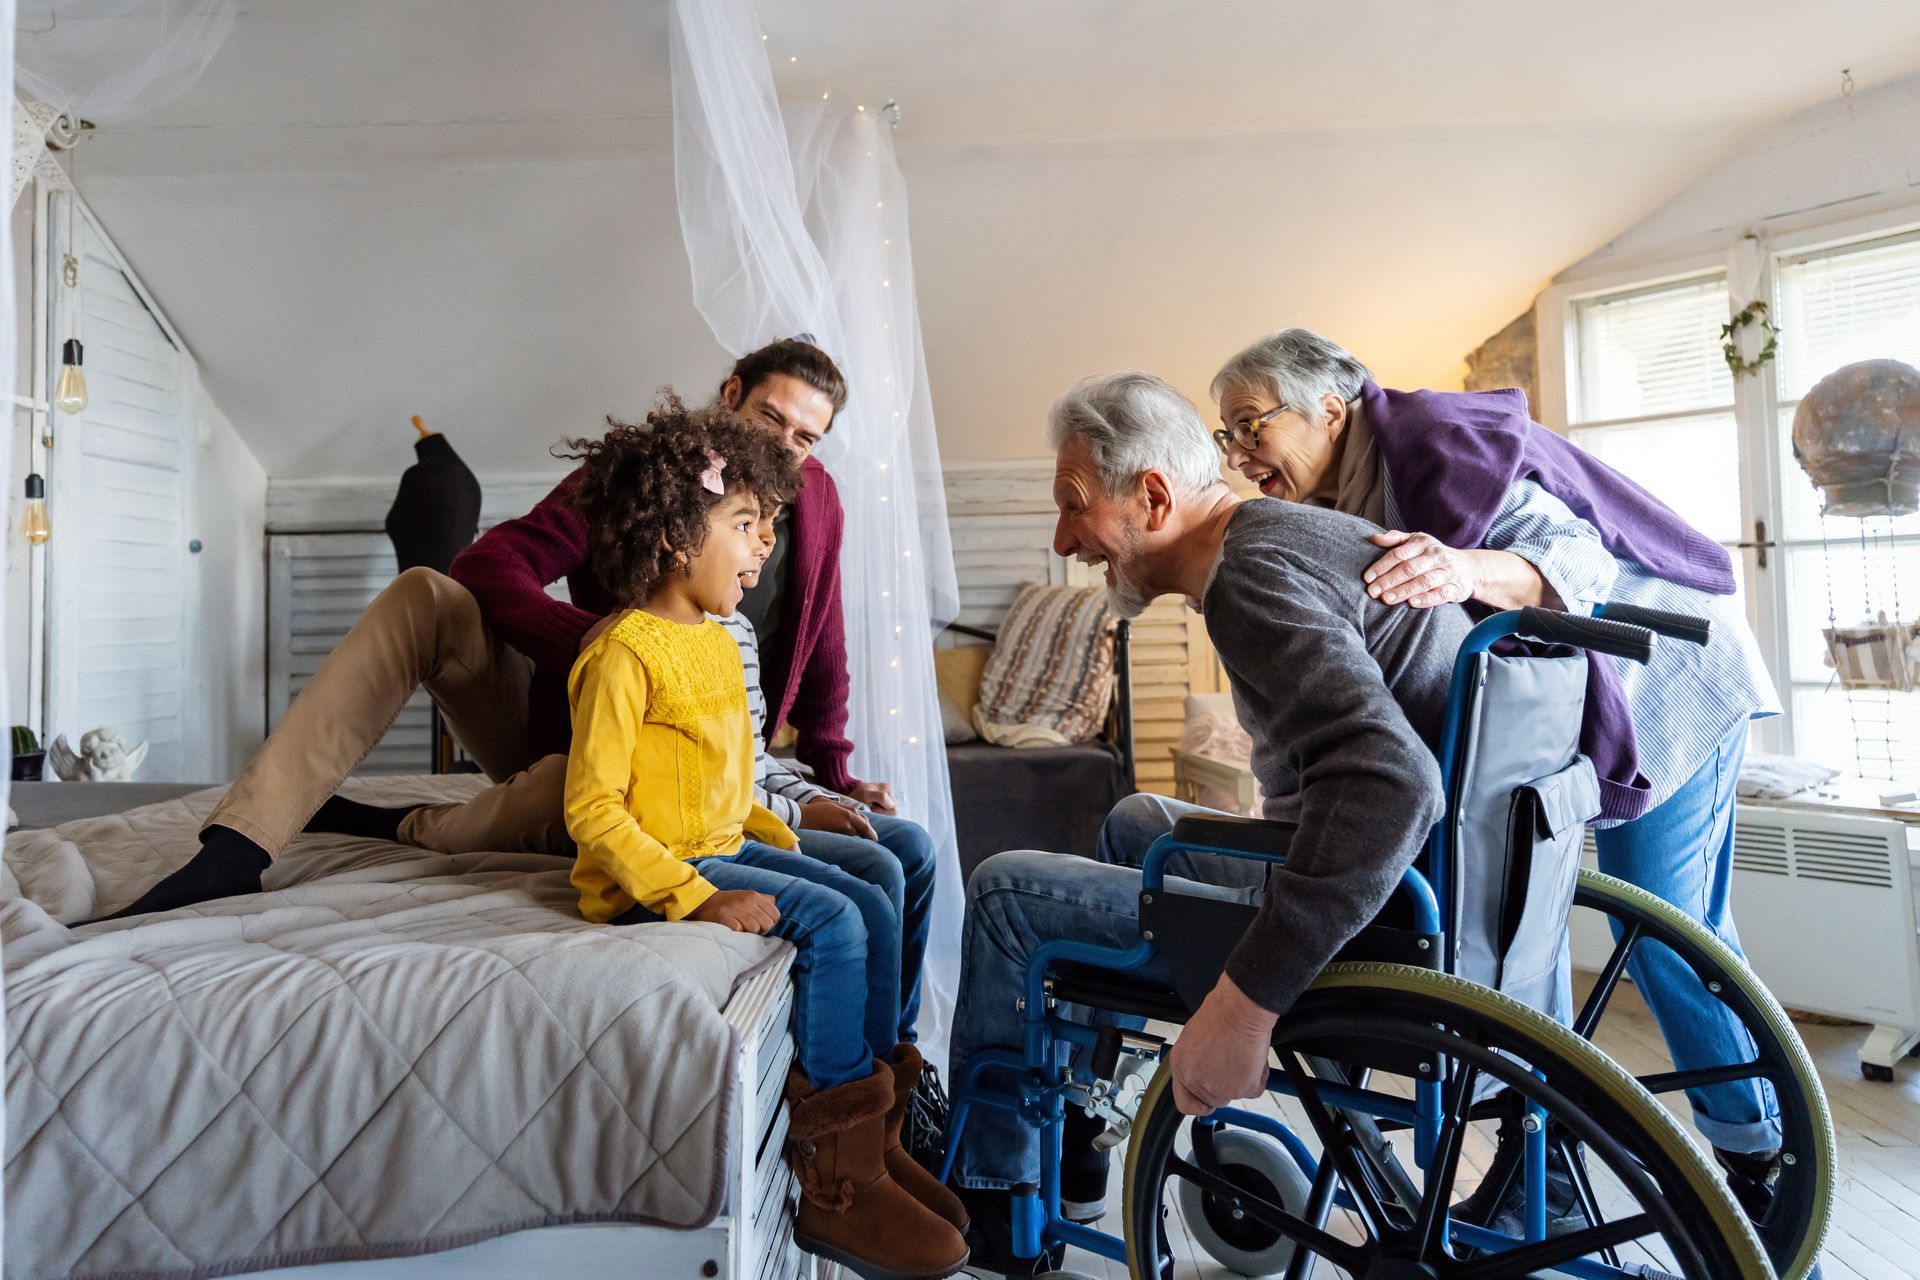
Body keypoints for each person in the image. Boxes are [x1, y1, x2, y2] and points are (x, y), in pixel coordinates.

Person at [1205, 327, 1785, 1211]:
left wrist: (1462, 566)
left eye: (1252, 425)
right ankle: (1542, 1171)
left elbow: (1579, 560)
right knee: (1527, 918)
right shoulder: (1333, 502)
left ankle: (1761, 1162)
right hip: (1564, 691)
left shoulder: (1443, 449)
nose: (1241, 454)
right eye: (1228, 436)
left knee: (1667, 931)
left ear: (1329, 410)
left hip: (1671, 673)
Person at [946, 372, 1469, 1267]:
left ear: (1153, 497)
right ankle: (1077, 1139)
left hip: (1377, 910)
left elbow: (1392, 784)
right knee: (1140, 821)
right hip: (1425, 881)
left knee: (1003, 895)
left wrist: (1244, 1006)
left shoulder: (1250, 576)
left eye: (1074, 506)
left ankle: (992, 1198)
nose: (1065, 541)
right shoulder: (1281, 536)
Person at [104, 337, 899, 920]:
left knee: (569, 795)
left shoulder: (818, 507)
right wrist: (595, 642)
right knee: (425, 591)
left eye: (805, 437)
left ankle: (388, 822)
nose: (782, 445)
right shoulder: (644, 479)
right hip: (585, 725)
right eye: (769, 417)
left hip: (672, 771)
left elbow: (823, 649)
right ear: (730, 396)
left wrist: (835, 774)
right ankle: (239, 846)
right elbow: (491, 561)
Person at [556, 402, 965, 1280]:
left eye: (767, 524)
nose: (766, 542)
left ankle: (875, 1135)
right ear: (675, 537)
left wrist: (790, 840)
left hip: (718, 842)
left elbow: (734, 784)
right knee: (836, 924)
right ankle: (836, 1185)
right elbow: (591, 811)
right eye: (745, 523)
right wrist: (698, 894)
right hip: (655, 876)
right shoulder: (622, 655)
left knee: (871, 894)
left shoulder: (714, 643)